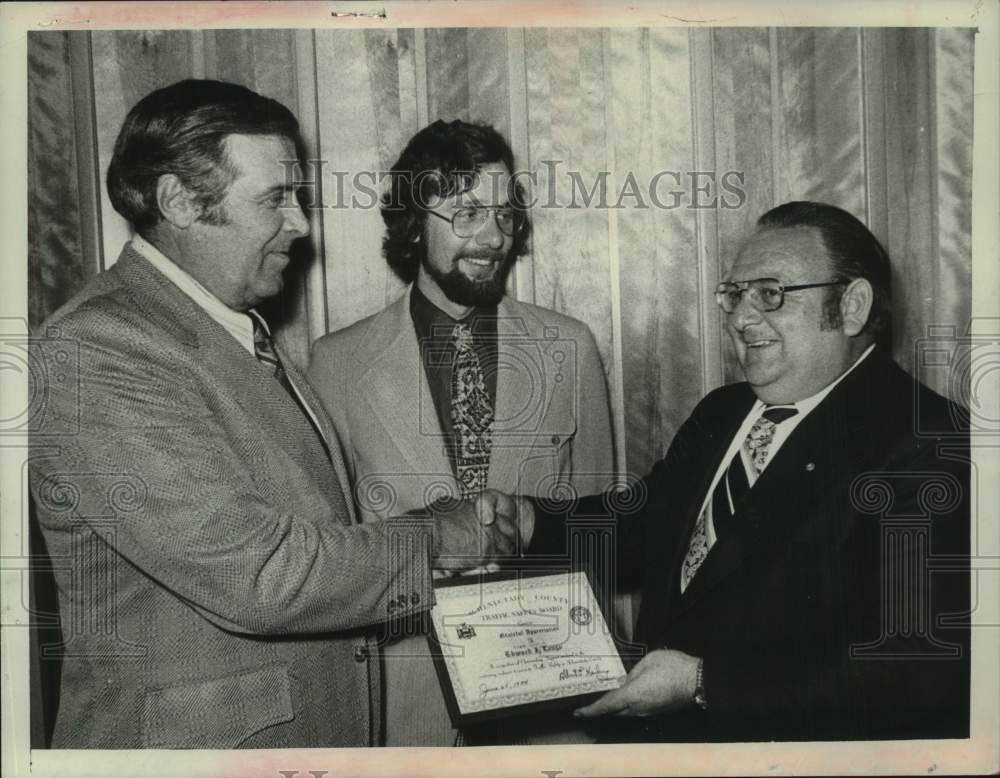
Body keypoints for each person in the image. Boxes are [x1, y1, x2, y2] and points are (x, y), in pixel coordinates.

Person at [28, 80, 519, 749]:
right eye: (276, 198)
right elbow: (258, 574)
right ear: (179, 201)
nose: (302, 223)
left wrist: (433, 520)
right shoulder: (96, 348)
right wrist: (442, 540)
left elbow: (301, 530)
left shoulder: (236, 328)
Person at [522, 201, 970, 741]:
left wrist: (705, 682)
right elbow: (641, 526)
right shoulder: (724, 411)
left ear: (851, 306)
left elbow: (917, 673)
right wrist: (525, 522)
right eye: (734, 294)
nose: (739, 317)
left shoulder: (932, 445)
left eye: (771, 294)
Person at [307, 119, 616, 746]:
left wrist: (600, 701)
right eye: (467, 213)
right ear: (413, 223)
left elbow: (602, 530)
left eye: (505, 215)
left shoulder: (569, 347)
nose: (494, 237)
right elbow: (331, 551)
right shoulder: (335, 363)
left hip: (545, 696)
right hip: (406, 706)